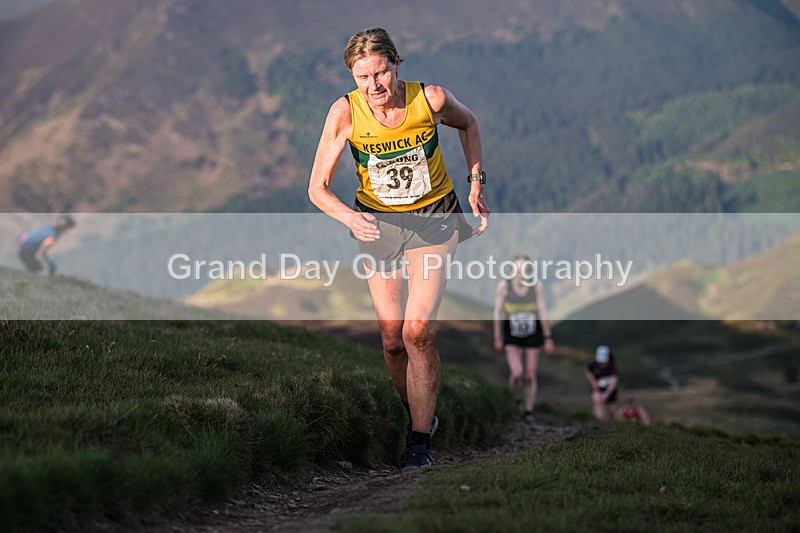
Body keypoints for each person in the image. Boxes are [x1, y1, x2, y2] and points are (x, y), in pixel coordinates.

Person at [308, 27, 490, 471]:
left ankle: (419, 442)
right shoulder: (345, 113)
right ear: (352, 76)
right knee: (393, 340)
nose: (373, 86)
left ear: (396, 64)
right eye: (362, 76)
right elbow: (317, 188)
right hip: (379, 226)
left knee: (418, 331)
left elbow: (469, 124)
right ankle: (417, 410)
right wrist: (351, 218)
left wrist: (475, 184)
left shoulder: (430, 99)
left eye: (381, 73)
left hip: (434, 218)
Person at [493, 255, 554, 426]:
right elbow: (497, 312)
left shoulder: (536, 286)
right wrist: (497, 337)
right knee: (517, 373)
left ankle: (528, 412)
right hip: (511, 335)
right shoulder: (504, 286)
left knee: (529, 376)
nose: (520, 274)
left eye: (524, 270)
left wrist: (548, 337)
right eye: (516, 270)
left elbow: (542, 310)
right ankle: (515, 401)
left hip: (533, 334)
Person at [584, 345, 619, 420]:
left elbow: (614, 380)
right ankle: (599, 421)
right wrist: (593, 381)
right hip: (598, 387)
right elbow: (587, 370)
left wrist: (607, 393)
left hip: (610, 388)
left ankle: (614, 422)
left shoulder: (612, 364)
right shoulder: (593, 363)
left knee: (611, 409)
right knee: (597, 401)